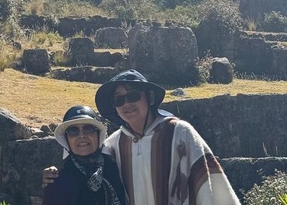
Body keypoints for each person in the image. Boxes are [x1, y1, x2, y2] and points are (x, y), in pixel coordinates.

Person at [44, 69, 240, 205]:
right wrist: (52, 175)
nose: (127, 104)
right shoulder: (114, 144)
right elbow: (81, 157)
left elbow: (208, 188)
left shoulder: (180, 134)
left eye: (133, 96)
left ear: (150, 98)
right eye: (119, 99)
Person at [42, 105, 128, 205]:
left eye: (88, 128)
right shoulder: (58, 183)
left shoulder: (118, 169)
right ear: (66, 139)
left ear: (98, 135)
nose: (81, 135)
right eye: (73, 131)